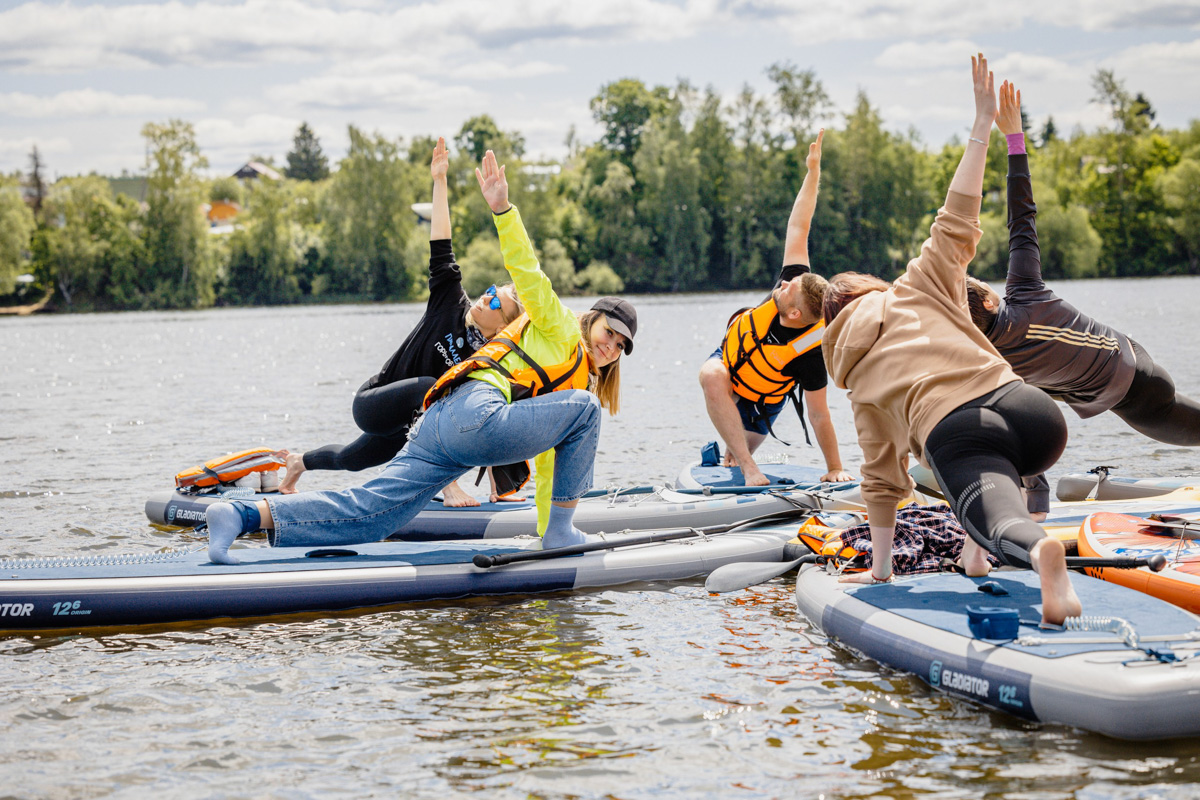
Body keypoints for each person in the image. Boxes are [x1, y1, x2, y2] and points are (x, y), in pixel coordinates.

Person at [204, 149, 636, 564]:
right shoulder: (560, 323)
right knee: (586, 408)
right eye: (608, 333)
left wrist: (547, 534)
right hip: (476, 413)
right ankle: (562, 529)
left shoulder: (568, 388)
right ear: (592, 318)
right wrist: (503, 210)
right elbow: (527, 270)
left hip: (440, 426)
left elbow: (547, 467)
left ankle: (242, 516)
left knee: (371, 514)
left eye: (619, 347)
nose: (610, 347)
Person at [820, 57, 1081, 626]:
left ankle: (1040, 554)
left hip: (961, 429)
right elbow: (956, 215)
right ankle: (975, 555)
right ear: (870, 289)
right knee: (987, 477)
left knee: (993, 508)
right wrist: (982, 124)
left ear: (831, 330)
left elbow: (882, 483)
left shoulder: (860, 382)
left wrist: (883, 573)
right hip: (1034, 412)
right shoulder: (916, 287)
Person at [966, 83, 1200, 520]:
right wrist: (1015, 141)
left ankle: (1031, 510)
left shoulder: (984, 358)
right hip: (1129, 388)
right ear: (991, 304)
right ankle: (1031, 511)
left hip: (1139, 388)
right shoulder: (1023, 294)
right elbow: (1022, 216)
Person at [275, 137, 524, 507]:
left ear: (501, 326)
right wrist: (439, 181)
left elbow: (486, 420)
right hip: (374, 403)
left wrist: (499, 488)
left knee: (352, 459)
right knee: (433, 387)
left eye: (493, 301)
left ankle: (298, 463)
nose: (484, 296)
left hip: (410, 426)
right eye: (490, 290)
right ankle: (444, 487)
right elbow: (441, 241)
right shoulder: (450, 300)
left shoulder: (490, 358)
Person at [698, 129, 853, 487]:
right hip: (729, 361)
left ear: (795, 313)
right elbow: (799, 225)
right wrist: (813, 173)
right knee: (710, 375)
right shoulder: (797, 283)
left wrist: (835, 467)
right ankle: (751, 470)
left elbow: (819, 414)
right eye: (787, 282)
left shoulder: (809, 355)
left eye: (787, 289)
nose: (782, 284)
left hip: (763, 399)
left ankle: (739, 459)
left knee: (734, 456)